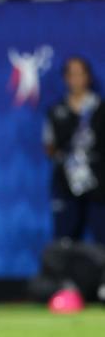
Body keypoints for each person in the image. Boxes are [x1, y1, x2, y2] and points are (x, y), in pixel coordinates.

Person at [43, 57, 105, 244]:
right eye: (72, 74)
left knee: (102, 236)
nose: (76, 78)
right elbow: (48, 146)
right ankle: (66, 274)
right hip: (66, 181)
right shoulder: (56, 111)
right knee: (65, 239)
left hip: (99, 182)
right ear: (66, 78)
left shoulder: (101, 109)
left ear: (88, 77)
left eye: (80, 73)